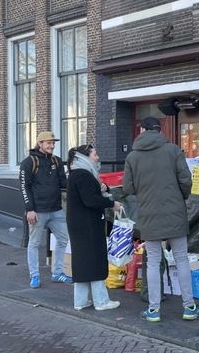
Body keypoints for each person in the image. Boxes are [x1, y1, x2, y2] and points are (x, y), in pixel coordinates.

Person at [122, 116, 199, 322]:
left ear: (142, 131)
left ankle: (154, 309)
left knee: (153, 261)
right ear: (159, 130)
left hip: (149, 214)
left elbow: (128, 188)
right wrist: (179, 197)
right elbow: (186, 180)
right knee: (182, 259)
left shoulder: (133, 157)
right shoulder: (173, 150)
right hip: (174, 212)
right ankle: (189, 306)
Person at [66, 144, 122, 311]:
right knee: (95, 259)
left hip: (78, 224)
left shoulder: (77, 173)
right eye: (94, 154)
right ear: (86, 157)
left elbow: (88, 194)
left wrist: (101, 188)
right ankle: (101, 301)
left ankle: (80, 301)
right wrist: (112, 203)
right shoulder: (84, 175)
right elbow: (90, 200)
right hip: (88, 224)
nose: (97, 157)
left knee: (82, 261)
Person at [19, 131, 73, 289]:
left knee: (63, 239)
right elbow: (24, 187)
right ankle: (34, 276)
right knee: (34, 243)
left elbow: (64, 183)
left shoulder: (57, 161)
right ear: (40, 144)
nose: (52, 145)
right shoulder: (28, 162)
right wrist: (29, 209)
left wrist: (79, 182)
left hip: (56, 209)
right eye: (48, 143)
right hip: (38, 211)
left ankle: (57, 273)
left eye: (53, 142)